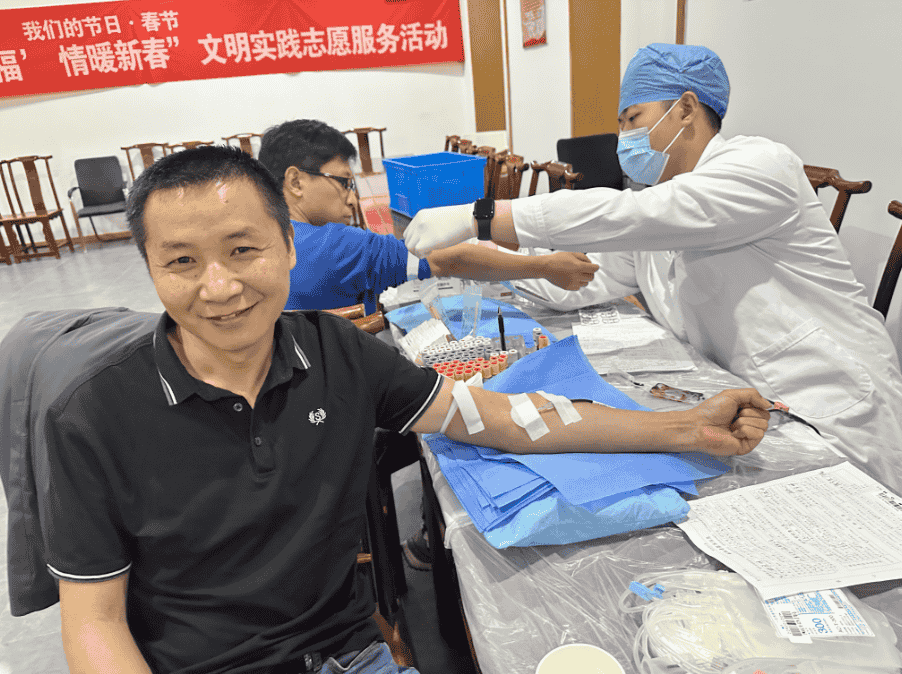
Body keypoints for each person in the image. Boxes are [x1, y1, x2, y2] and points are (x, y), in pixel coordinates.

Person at [44, 145, 771, 674]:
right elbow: (94, 625)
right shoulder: (93, 416)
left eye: (242, 250)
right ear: (149, 268)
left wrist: (684, 425)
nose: (220, 286)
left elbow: (507, 419)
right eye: (181, 261)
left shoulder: (337, 353)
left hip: (349, 654)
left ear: (290, 247)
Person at [402, 42, 902, 493]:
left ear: (686, 108)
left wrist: (484, 216)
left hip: (832, 403)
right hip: (751, 408)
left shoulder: (760, 166)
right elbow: (584, 279)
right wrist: (508, 264)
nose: (624, 138)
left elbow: (634, 216)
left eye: (633, 119)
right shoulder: (660, 203)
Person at [257, 119, 599, 314]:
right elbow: (448, 259)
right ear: (296, 181)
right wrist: (546, 266)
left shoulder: (258, 242)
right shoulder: (338, 246)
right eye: (344, 182)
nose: (351, 197)